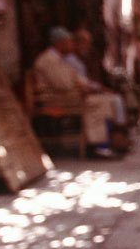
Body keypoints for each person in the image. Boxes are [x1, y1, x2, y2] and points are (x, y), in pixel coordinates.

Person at [32, 27, 128, 156]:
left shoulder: (60, 59)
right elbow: (64, 84)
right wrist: (80, 85)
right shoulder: (48, 60)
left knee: (108, 100)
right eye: (69, 42)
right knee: (100, 104)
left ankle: (108, 141)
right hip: (57, 100)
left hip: (68, 97)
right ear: (60, 43)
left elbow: (76, 78)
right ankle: (97, 145)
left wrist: (87, 86)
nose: (71, 45)